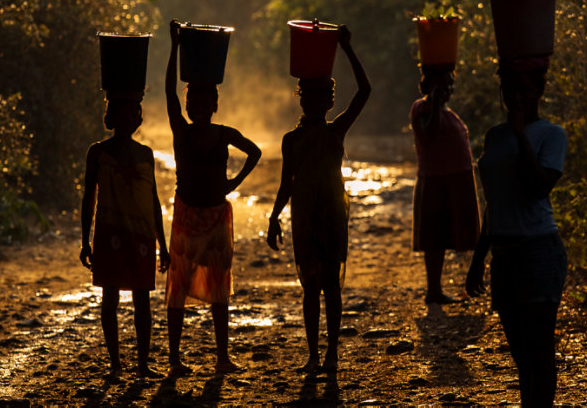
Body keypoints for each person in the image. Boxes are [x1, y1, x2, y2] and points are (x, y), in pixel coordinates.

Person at [266, 25, 371, 374]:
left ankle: (331, 355)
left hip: (331, 215)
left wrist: (347, 48)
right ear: (302, 98)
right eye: (309, 95)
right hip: (305, 216)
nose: (316, 102)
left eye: (323, 95)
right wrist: (273, 217)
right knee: (311, 286)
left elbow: (364, 91)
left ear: (329, 101)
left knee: (331, 285)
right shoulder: (290, 141)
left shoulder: (335, 130)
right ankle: (314, 355)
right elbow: (286, 184)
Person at [465, 57, 568, 407]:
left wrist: (522, 135)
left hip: (539, 251)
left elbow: (539, 187)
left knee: (539, 350)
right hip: (504, 256)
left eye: (525, 89)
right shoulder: (494, 137)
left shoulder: (552, 135)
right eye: (510, 89)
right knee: (521, 355)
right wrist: (479, 258)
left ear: (539, 90)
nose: (517, 97)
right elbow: (495, 202)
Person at [164, 19, 262, 376]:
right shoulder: (182, 132)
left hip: (217, 215)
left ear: (214, 105)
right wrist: (174, 46)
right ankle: (174, 359)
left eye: (205, 101)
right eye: (193, 101)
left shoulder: (224, 133)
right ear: (188, 105)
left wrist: (233, 183)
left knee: (220, 290)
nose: (197, 106)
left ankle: (222, 357)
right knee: (177, 287)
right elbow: (168, 93)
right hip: (189, 215)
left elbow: (254, 152)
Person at [80, 95, 171, 379]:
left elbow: (154, 201)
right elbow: (89, 198)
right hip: (109, 234)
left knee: (142, 300)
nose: (130, 119)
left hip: (142, 235)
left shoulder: (146, 154)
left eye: (135, 114)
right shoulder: (97, 152)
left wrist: (163, 245)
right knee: (110, 298)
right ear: (111, 117)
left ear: (139, 119)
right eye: (124, 113)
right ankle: (116, 364)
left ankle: (142, 365)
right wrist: (85, 241)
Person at [410, 65, 481, 304]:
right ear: (429, 85)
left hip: (455, 180)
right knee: (434, 237)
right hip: (435, 180)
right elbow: (430, 132)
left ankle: (440, 289)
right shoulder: (422, 109)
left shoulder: (447, 112)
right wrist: (435, 100)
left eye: (450, 84)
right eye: (443, 84)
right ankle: (434, 290)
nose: (448, 89)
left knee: (449, 234)